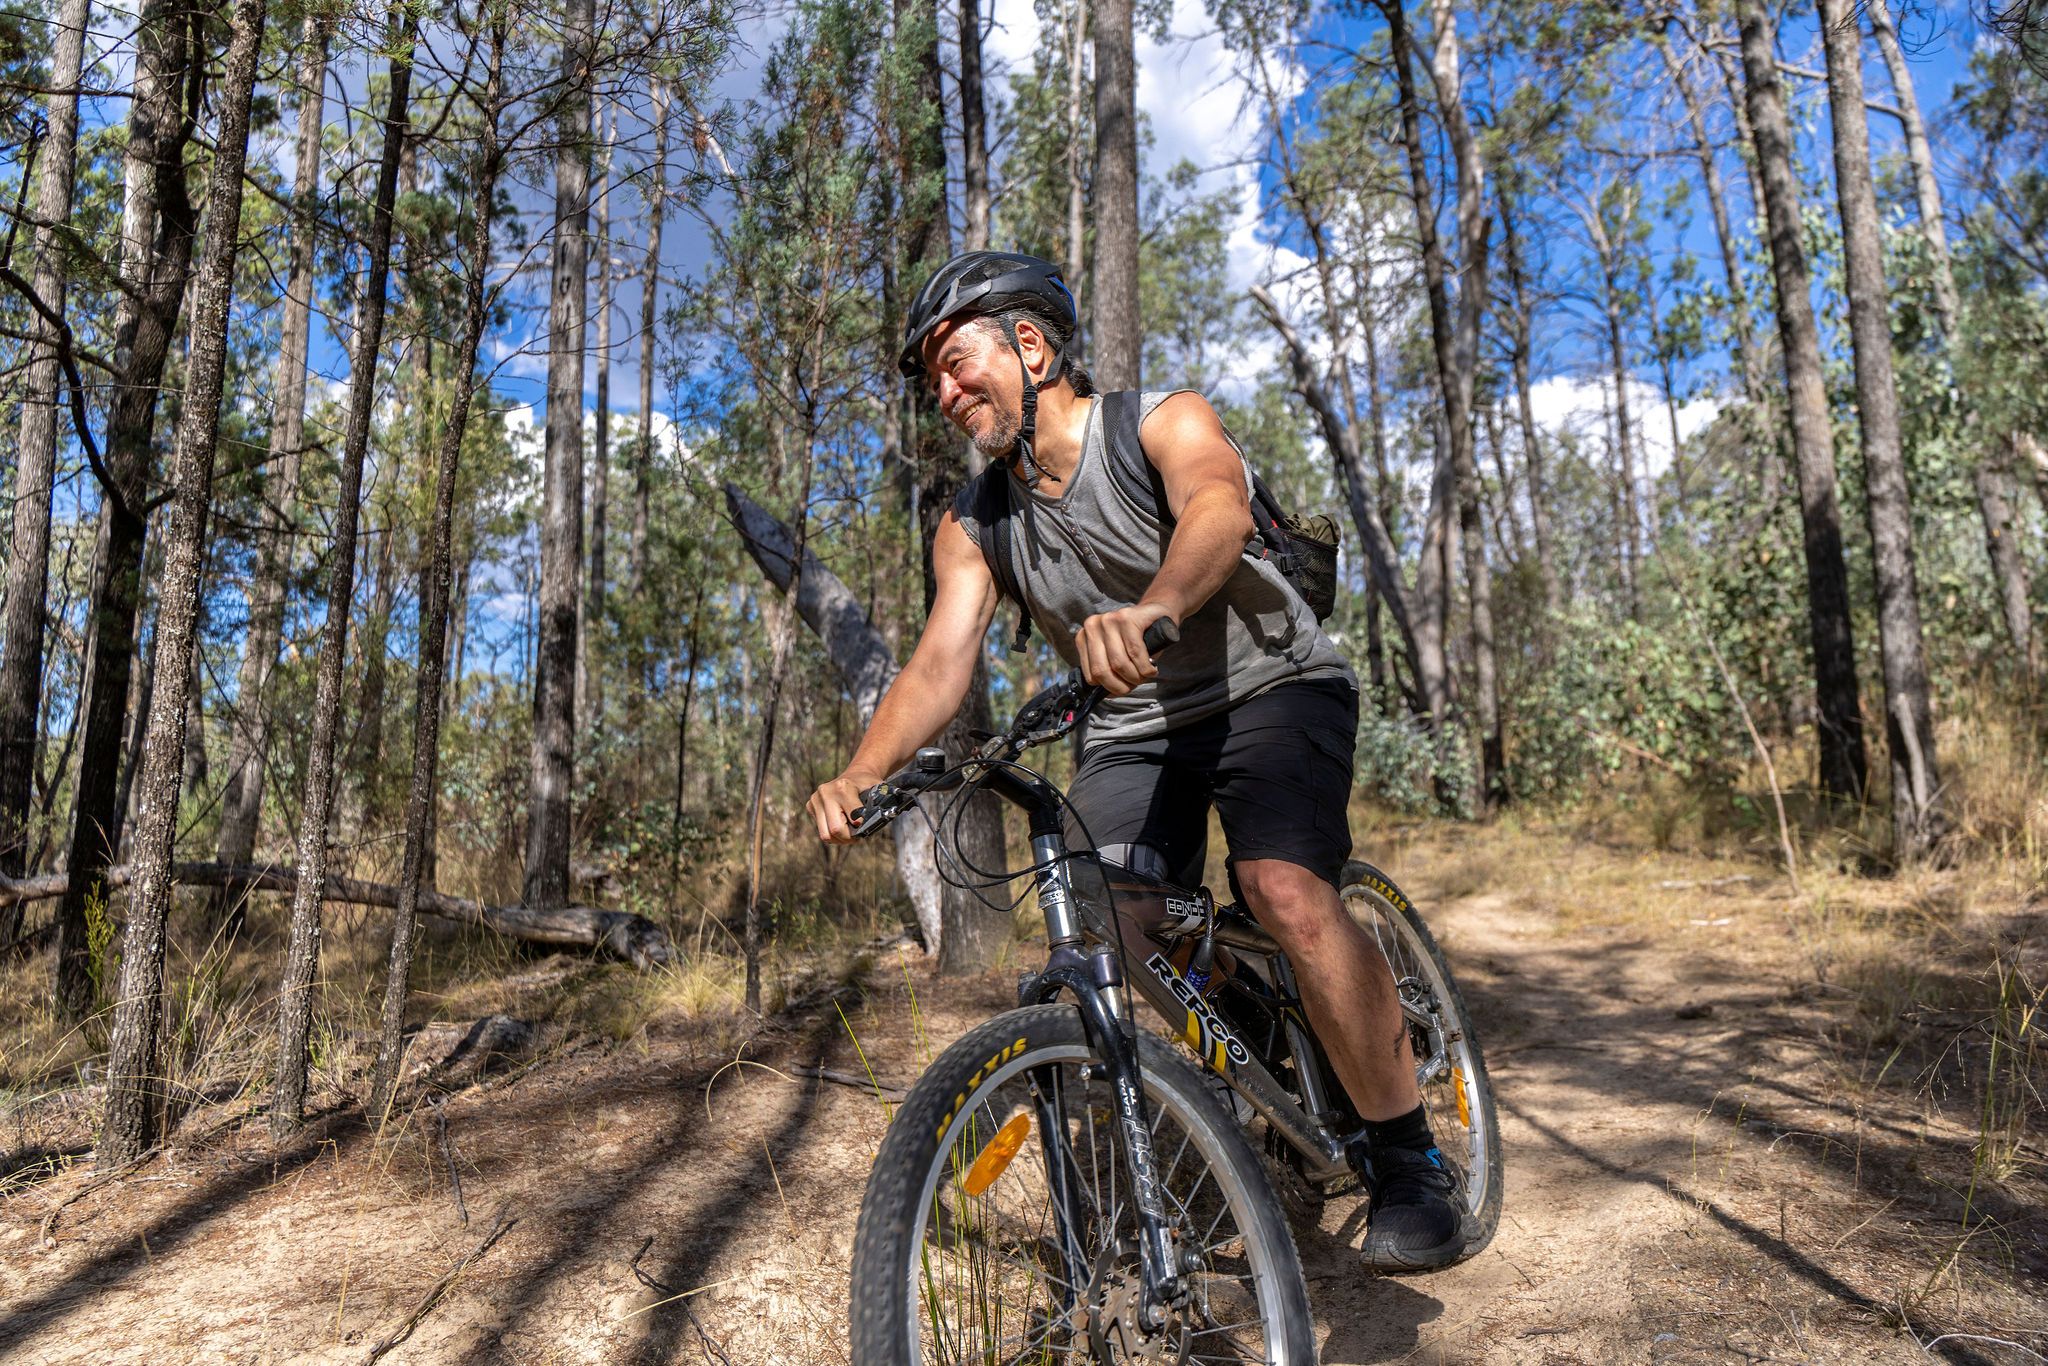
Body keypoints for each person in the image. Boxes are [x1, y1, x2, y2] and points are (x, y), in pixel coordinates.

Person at [805, 250, 1463, 1272]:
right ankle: (1249, 1018)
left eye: (952, 360)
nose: (941, 392)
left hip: (1270, 680)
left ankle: (1406, 1158)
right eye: (928, 379)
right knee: (1106, 917)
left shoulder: (1160, 419)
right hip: (1128, 722)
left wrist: (1155, 604)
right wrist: (860, 773)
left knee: (1282, 887)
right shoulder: (973, 523)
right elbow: (940, 661)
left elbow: (1214, 508)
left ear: (1028, 344)